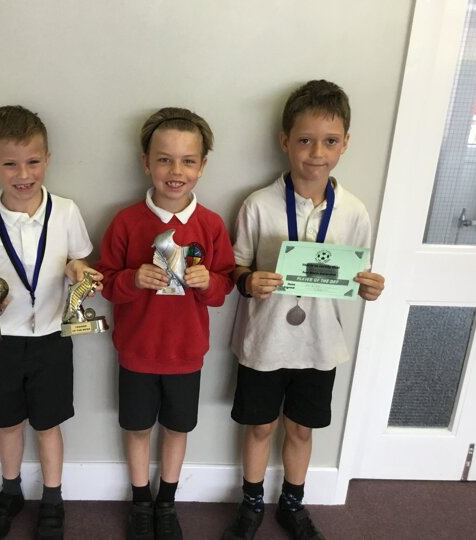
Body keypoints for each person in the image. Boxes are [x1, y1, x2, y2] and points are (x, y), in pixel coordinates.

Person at [222, 80, 386, 540]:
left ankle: (292, 504)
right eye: (305, 140)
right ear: (285, 141)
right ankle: (251, 504)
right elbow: (235, 266)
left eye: (330, 141)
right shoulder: (258, 205)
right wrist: (248, 281)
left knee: (301, 430)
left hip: (319, 345)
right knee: (259, 428)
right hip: (264, 341)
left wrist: (369, 288)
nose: (317, 153)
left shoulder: (353, 211)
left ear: (345, 143)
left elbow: (357, 275)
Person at [0, 105, 102, 540]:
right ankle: (11, 491)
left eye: (33, 161)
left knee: (48, 423)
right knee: (8, 422)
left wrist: (79, 272)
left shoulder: (66, 212)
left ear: (48, 159)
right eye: (10, 164)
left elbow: (79, 260)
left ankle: (53, 498)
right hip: (2, 340)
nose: (24, 174)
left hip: (52, 338)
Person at [96, 107, 235, 540]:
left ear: (202, 166)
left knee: (177, 428)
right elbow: (105, 284)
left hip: (185, 353)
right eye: (164, 160)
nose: (176, 172)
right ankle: (141, 502)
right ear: (146, 162)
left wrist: (207, 282)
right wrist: (132, 279)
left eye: (188, 161)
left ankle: (167, 502)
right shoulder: (125, 221)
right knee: (137, 428)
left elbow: (224, 287)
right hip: (137, 351)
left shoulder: (211, 225)